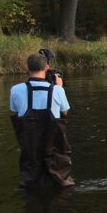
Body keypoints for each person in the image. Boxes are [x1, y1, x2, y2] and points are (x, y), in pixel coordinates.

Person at [9, 53, 73, 190]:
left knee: (32, 181)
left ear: (27, 67)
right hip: (54, 143)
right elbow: (64, 112)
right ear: (46, 67)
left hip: (30, 143)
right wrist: (59, 87)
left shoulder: (15, 90)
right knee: (60, 178)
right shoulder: (57, 90)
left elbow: (16, 111)